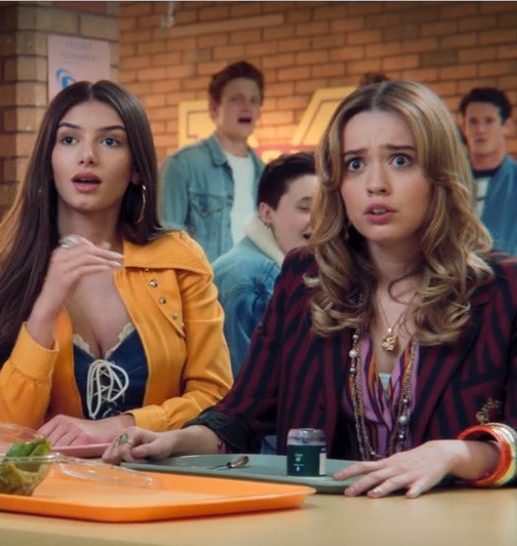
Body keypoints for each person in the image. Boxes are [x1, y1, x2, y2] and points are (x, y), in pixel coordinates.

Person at [105, 80, 517, 498]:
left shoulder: (503, 289)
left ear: (440, 172)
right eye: (355, 164)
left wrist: (458, 454)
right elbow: (242, 415)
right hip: (324, 527)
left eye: (400, 160)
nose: (376, 184)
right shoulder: (305, 277)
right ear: (336, 181)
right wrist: (175, 441)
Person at [0, 80, 232, 447]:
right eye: (69, 140)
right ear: (49, 159)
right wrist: (44, 310)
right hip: (43, 491)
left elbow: (216, 399)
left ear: (137, 168)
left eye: (110, 141)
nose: (87, 155)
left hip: (163, 487)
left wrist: (122, 425)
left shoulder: (180, 261)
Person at [212, 152, 318, 375]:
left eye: (327, 208)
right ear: (267, 213)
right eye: (305, 207)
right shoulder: (253, 280)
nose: (319, 219)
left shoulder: (285, 270)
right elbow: (245, 394)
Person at [160, 61, 266, 262]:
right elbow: (165, 244)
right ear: (214, 109)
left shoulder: (266, 173)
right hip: (205, 289)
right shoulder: (182, 166)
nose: (247, 107)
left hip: (256, 289)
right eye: (237, 99)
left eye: (254, 100)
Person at [459, 87, 517, 255]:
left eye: (489, 121)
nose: (480, 130)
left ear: (507, 126)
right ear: (464, 127)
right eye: (473, 121)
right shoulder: (448, 181)